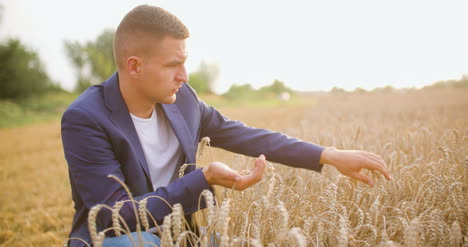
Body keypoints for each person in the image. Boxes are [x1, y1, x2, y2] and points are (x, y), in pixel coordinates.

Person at [61, 5, 391, 247]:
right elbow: (114, 216)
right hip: (115, 240)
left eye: (185, 63)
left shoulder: (185, 99)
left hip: (180, 234)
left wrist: (329, 155)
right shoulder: (86, 119)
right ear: (134, 66)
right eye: (173, 65)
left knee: (239, 239)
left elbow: (246, 136)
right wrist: (201, 180)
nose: (185, 76)